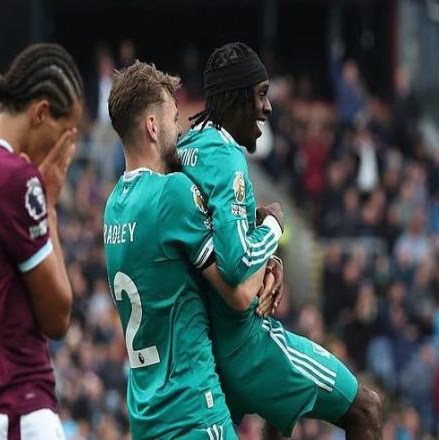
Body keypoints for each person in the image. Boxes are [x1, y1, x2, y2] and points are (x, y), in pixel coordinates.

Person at [178, 42, 382, 439]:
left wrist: (269, 258)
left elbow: (215, 231)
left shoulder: (188, 148)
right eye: (261, 94)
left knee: (279, 418)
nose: (268, 107)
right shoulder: (227, 157)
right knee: (367, 409)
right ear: (237, 98)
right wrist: (274, 224)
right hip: (245, 346)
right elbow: (236, 266)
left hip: (206, 351)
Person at [104, 61, 273, 439]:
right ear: (152, 127)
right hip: (193, 411)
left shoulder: (114, 206)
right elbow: (242, 295)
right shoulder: (171, 193)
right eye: (174, 119)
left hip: (145, 415)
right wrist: (270, 230)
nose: (179, 130)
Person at [0, 43, 83, 439]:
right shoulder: (15, 178)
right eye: (65, 135)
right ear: (41, 113)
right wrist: (49, 204)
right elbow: (58, 315)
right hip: (17, 408)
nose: (65, 150)